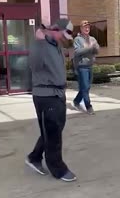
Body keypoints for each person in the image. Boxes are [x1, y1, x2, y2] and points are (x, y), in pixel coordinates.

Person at [25, 19, 77, 182]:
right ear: (55, 30)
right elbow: (33, 65)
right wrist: (39, 43)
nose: (64, 38)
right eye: (63, 34)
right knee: (53, 133)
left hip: (58, 93)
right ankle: (58, 169)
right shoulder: (40, 45)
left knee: (54, 129)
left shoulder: (56, 46)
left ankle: (34, 157)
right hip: (45, 95)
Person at [72, 20, 100, 115]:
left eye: (88, 27)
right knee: (85, 87)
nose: (87, 28)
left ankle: (76, 101)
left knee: (86, 87)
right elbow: (77, 52)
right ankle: (88, 106)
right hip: (82, 67)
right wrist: (90, 48)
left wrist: (95, 48)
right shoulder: (77, 39)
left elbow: (97, 50)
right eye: (85, 27)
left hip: (90, 65)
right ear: (81, 28)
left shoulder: (92, 39)